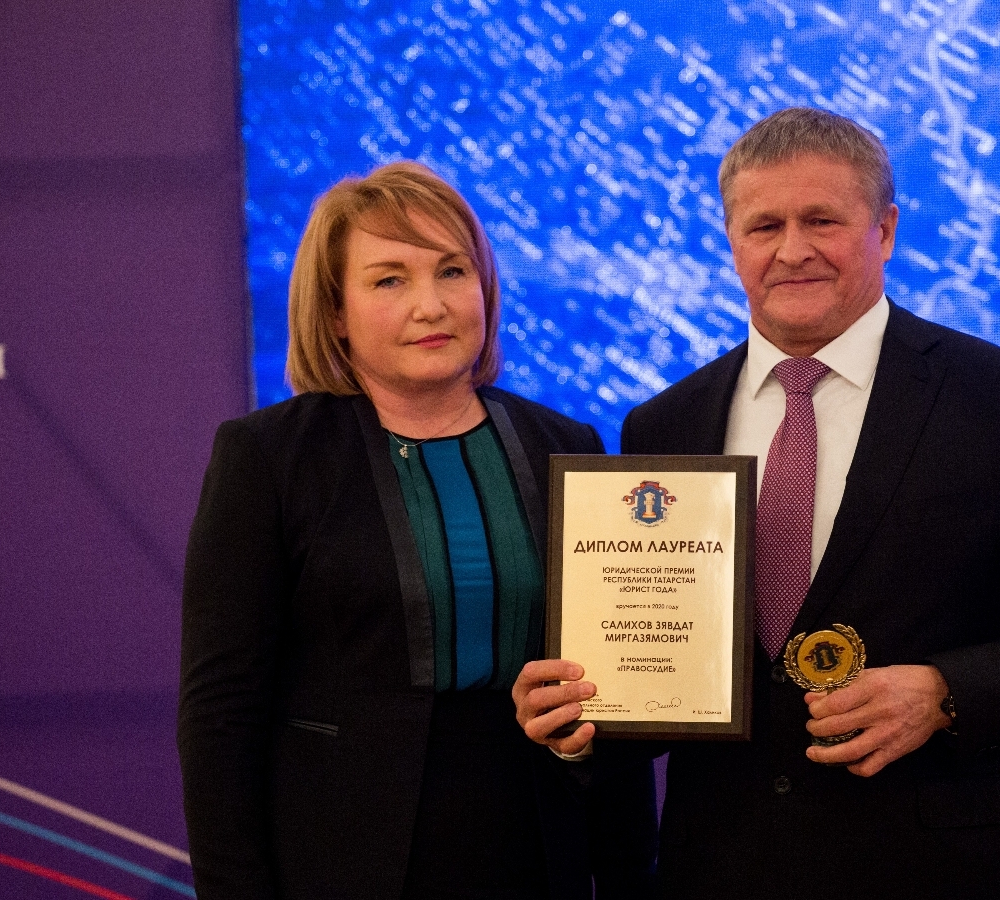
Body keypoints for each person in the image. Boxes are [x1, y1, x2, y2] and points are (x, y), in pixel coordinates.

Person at [514, 108, 1000, 898]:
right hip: (724, 870)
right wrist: (579, 723)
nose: (792, 249)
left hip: (942, 874)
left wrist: (947, 693)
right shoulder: (666, 423)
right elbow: (674, 675)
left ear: (885, 230)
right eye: (765, 226)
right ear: (731, 241)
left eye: (822, 220)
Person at [179, 161, 657, 900]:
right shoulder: (267, 458)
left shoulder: (566, 446)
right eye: (389, 280)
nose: (430, 305)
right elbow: (220, 714)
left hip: (535, 846)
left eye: (452, 271)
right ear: (335, 313)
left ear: (485, 288)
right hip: (339, 860)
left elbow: (608, 687)